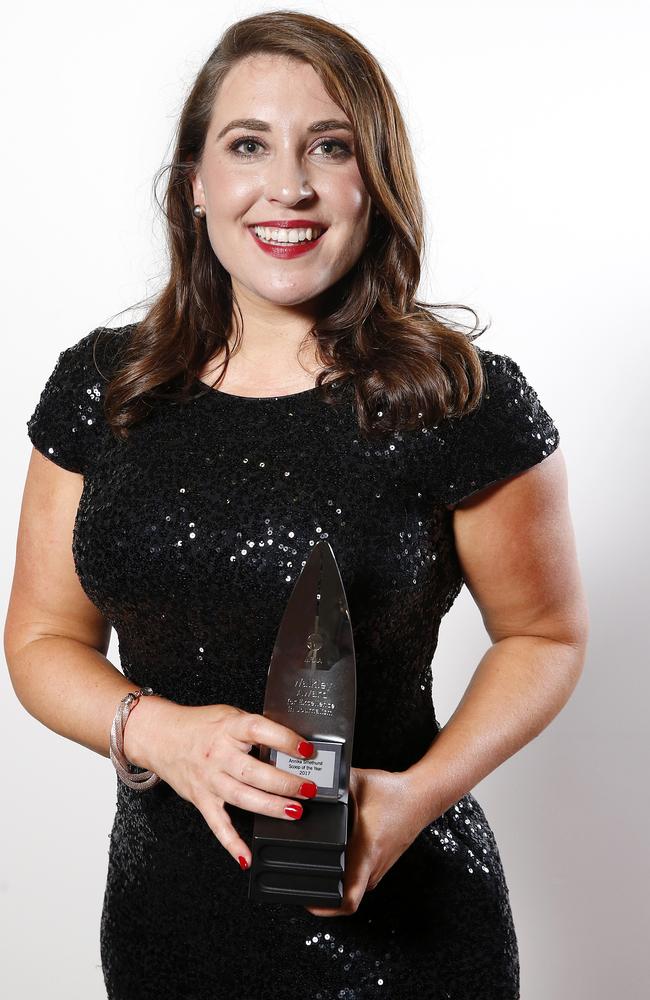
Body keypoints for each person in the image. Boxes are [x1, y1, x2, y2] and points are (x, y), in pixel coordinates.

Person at [5, 10, 589, 1000]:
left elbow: (544, 636)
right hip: (164, 926)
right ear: (195, 183)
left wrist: (413, 798)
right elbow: (41, 639)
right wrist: (159, 733)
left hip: (398, 922)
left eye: (330, 146)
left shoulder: (454, 398)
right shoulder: (104, 388)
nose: (289, 185)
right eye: (247, 146)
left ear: (374, 185)